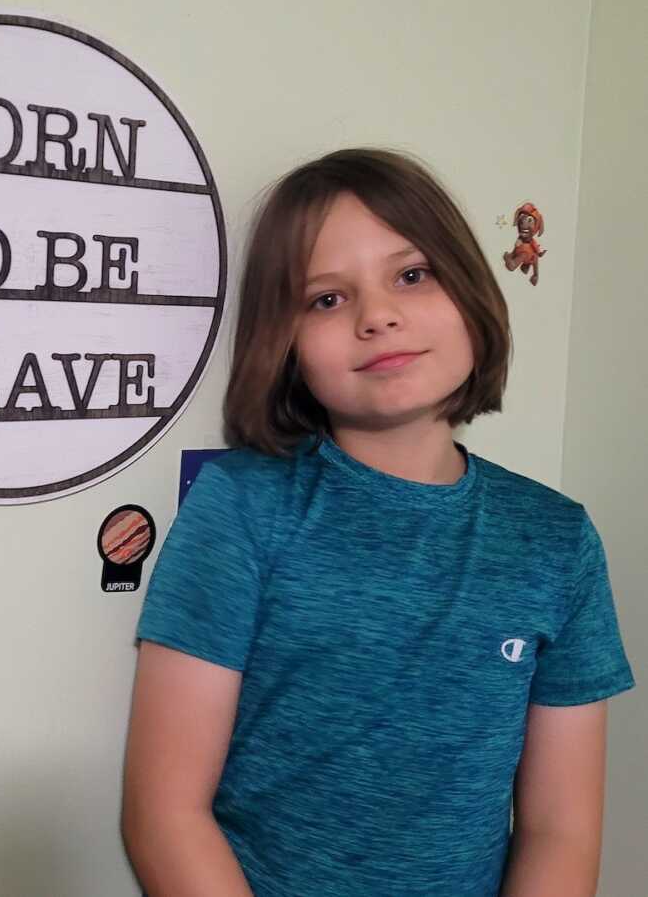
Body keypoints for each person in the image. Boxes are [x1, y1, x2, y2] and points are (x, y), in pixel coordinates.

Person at [120, 148, 635, 897]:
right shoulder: (239, 508)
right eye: (326, 298)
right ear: (286, 343)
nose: (378, 315)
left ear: (470, 289)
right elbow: (165, 813)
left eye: (412, 274)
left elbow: (562, 829)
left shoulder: (557, 540)